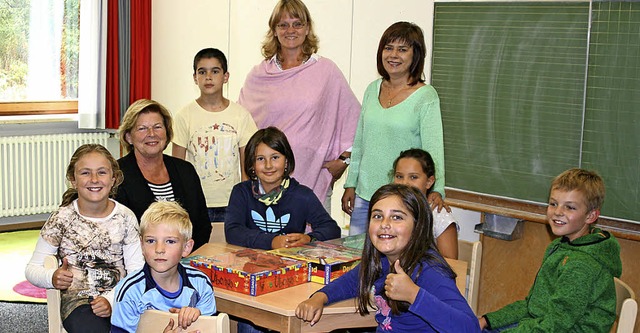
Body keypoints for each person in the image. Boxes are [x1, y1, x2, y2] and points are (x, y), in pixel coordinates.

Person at [296, 184, 479, 332]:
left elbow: (470, 328)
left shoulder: (430, 271)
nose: (384, 224)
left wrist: (414, 295)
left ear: (418, 226)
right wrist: (320, 297)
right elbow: (352, 281)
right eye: (377, 216)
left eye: (397, 217)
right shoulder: (383, 260)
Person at [238, 0, 361, 210]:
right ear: (274, 31)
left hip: (314, 178)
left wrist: (344, 160)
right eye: (283, 25)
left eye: (297, 24)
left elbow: (357, 119)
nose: (290, 30)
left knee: (316, 241)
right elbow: (241, 126)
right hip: (268, 181)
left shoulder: (326, 71)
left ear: (307, 29)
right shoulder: (259, 75)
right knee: (271, 241)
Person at [478, 168, 622, 332]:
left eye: (570, 207)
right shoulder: (562, 246)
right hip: (544, 323)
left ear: (591, 216)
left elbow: (555, 326)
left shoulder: (581, 266)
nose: (558, 212)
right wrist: (487, 320)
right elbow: (533, 306)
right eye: (553, 204)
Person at [342, 21, 447, 236]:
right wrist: (350, 184)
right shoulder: (373, 89)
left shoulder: (426, 96)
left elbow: (434, 149)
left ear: (415, 55)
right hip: (365, 196)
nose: (393, 55)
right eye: (388, 48)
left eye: (402, 49)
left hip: (403, 198)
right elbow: (360, 142)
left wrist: (436, 190)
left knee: (392, 261)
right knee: (356, 260)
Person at [25, 144, 144, 333]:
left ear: (113, 179)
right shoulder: (61, 219)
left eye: (102, 172)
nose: (94, 179)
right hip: (79, 302)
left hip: (121, 297)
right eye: (85, 173)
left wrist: (111, 300)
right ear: (73, 180)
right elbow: (32, 269)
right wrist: (52, 277)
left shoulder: (125, 217)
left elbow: (137, 271)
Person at [172, 48, 257, 223]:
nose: (208, 77)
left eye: (215, 71)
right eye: (202, 72)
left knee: (230, 249)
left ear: (226, 77)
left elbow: (246, 166)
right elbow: (177, 167)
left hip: (232, 202)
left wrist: (247, 200)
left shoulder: (241, 115)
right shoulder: (184, 115)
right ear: (195, 78)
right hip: (196, 201)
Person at [225, 126, 342, 250]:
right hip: (249, 263)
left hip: (290, 264)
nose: (268, 165)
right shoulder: (241, 192)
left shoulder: (303, 195)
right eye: (260, 159)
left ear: (286, 162)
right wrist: (271, 241)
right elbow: (233, 232)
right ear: (252, 165)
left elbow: (332, 229)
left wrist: (310, 239)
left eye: (275, 157)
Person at [116, 99, 211, 249]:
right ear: (129, 137)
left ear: (166, 133)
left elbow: (202, 225)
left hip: (186, 259)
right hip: (137, 264)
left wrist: (183, 258)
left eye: (157, 127)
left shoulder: (186, 170)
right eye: (142, 128)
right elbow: (117, 233)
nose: (151, 134)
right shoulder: (117, 175)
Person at [110, 201, 216, 333]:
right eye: (151, 241)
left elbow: (212, 328)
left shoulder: (201, 283)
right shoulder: (129, 291)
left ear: (186, 247)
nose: (159, 249)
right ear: (141, 245)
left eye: (170, 241)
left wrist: (198, 316)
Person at [392, 149, 458, 259]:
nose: (405, 183)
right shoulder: (389, 209)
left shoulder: (439, 215)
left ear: (429, 182)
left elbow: (450, 264)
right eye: (399, 176)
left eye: (413, 177)